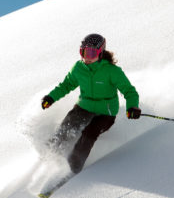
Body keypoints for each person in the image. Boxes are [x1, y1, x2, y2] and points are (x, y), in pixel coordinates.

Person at [40, 33, 141, 174]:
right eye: (84, 52)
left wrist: (132, 106)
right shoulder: (78, 68)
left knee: (89, 133)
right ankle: (46, 160)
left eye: (92, 53)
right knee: (66, 129)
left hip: (106, 113)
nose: (87, 57)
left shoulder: (112, 71)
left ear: (100, 53)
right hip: (84, 107)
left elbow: (129, 91)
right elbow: (66, 85)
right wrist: (51, 98)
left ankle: (72, 168)